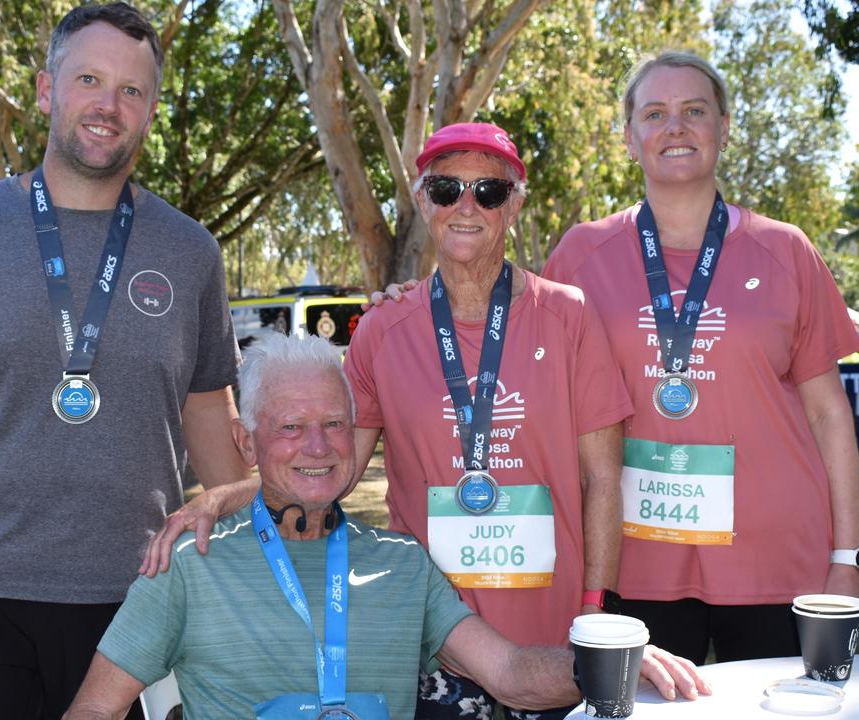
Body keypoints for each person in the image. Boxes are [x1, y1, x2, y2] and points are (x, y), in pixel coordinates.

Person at [144, 123, 708, 718]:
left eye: (488, 192)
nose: (466, 206)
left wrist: (597, 612)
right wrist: (220, 500)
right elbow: (324, 472)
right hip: (431, 645)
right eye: (446, 189)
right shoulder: (384, 329)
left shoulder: (568, 316)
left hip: (555, 638)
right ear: (423, 201)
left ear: (514, 205)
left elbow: (602, 479)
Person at [0, 4, 246, 718]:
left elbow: (207, 412)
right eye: (89, 79)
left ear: (151, 111)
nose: (108, 105)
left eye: (132, 90)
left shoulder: (190, 253)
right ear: (45, 89)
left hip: (133, 599)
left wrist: (252, 566)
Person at [64, 333, 705, 719]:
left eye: (334, 424)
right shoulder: (189, 565)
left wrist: (607, 665)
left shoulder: (403, 563)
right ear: (247, 442)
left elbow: (509, 673)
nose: (317, 446)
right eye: (289, 427)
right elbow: (97, 708)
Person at [540, 51, 859, 664]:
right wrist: (409, 303)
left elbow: (828, 414)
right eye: (655, 113)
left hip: (776, 561)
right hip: (631, 561)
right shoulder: (581, 255)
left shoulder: (785, 250)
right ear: (630, 136)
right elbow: (516, 362)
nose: (676, 127)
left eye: (694, 111)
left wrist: (847, 558)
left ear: (722, 127)